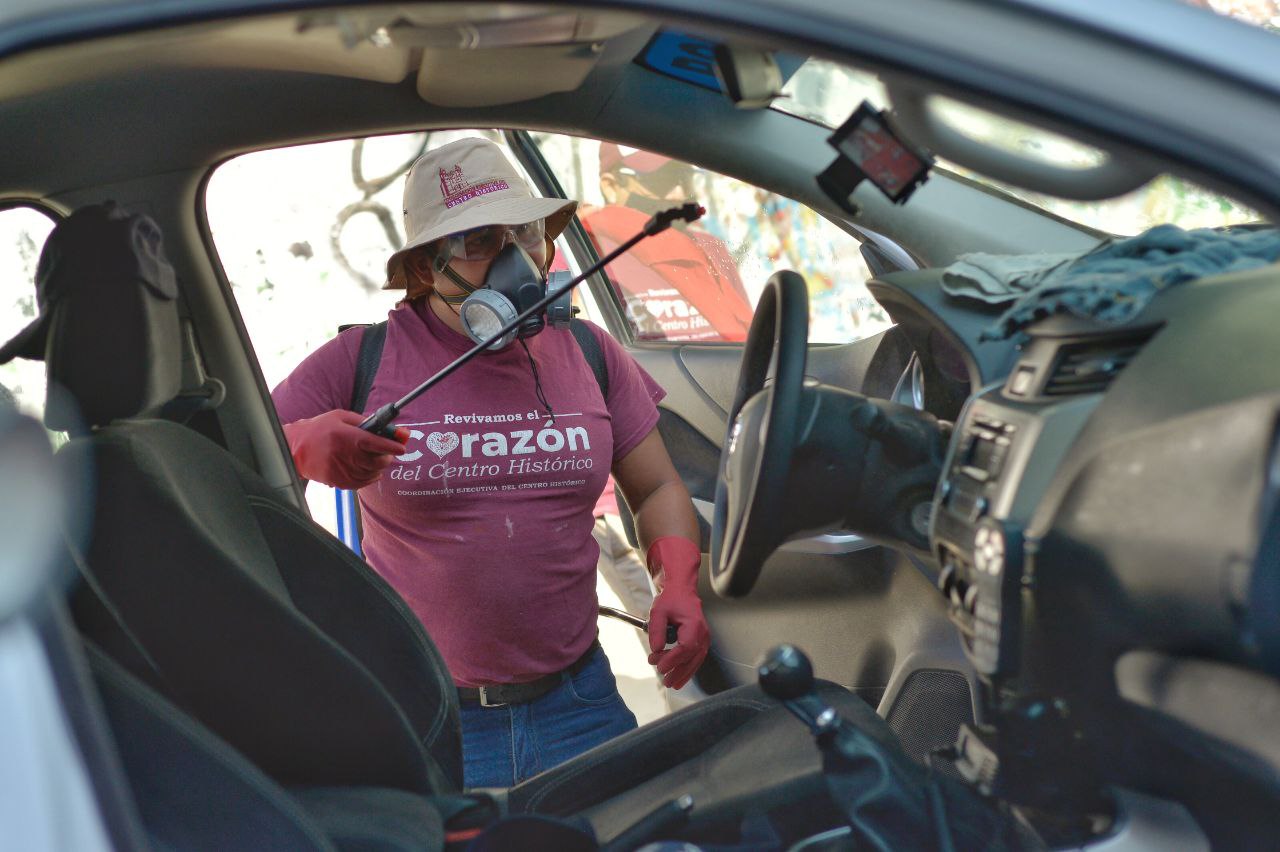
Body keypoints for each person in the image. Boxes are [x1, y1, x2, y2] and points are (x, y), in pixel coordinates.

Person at [271, 137, 711, 789]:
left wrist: (677, 582)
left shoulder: (589, 351)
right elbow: (228, 455)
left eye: (525, 233)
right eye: (479, 241)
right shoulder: (361, 359)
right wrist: (301, 445)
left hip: (580, 704)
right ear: (426, 267)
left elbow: (656, 488)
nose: (516, 260)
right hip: (431, 714)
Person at [581, 143, 756, 342]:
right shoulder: (587, 253)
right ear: (611, 187)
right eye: (663, 180)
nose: (679, 193)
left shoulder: (710, 248)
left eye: (685, 178)